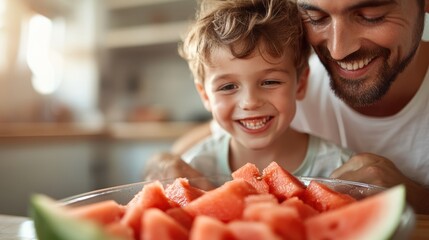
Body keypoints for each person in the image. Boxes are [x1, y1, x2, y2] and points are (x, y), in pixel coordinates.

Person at [146, 0, 429, 214]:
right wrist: (162, 165)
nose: (338, 51)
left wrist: (417, 197)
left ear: (300, 83)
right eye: (316, 17)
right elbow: (186, 153)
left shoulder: (331, 157)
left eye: (371, 16)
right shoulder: (294, 67)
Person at [143, 0, 355, 186]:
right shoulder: (194, 168)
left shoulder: (339, 168)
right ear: (205, 96)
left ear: (300, 84)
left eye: (270, 82)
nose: (250, 102)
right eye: (228, 87)